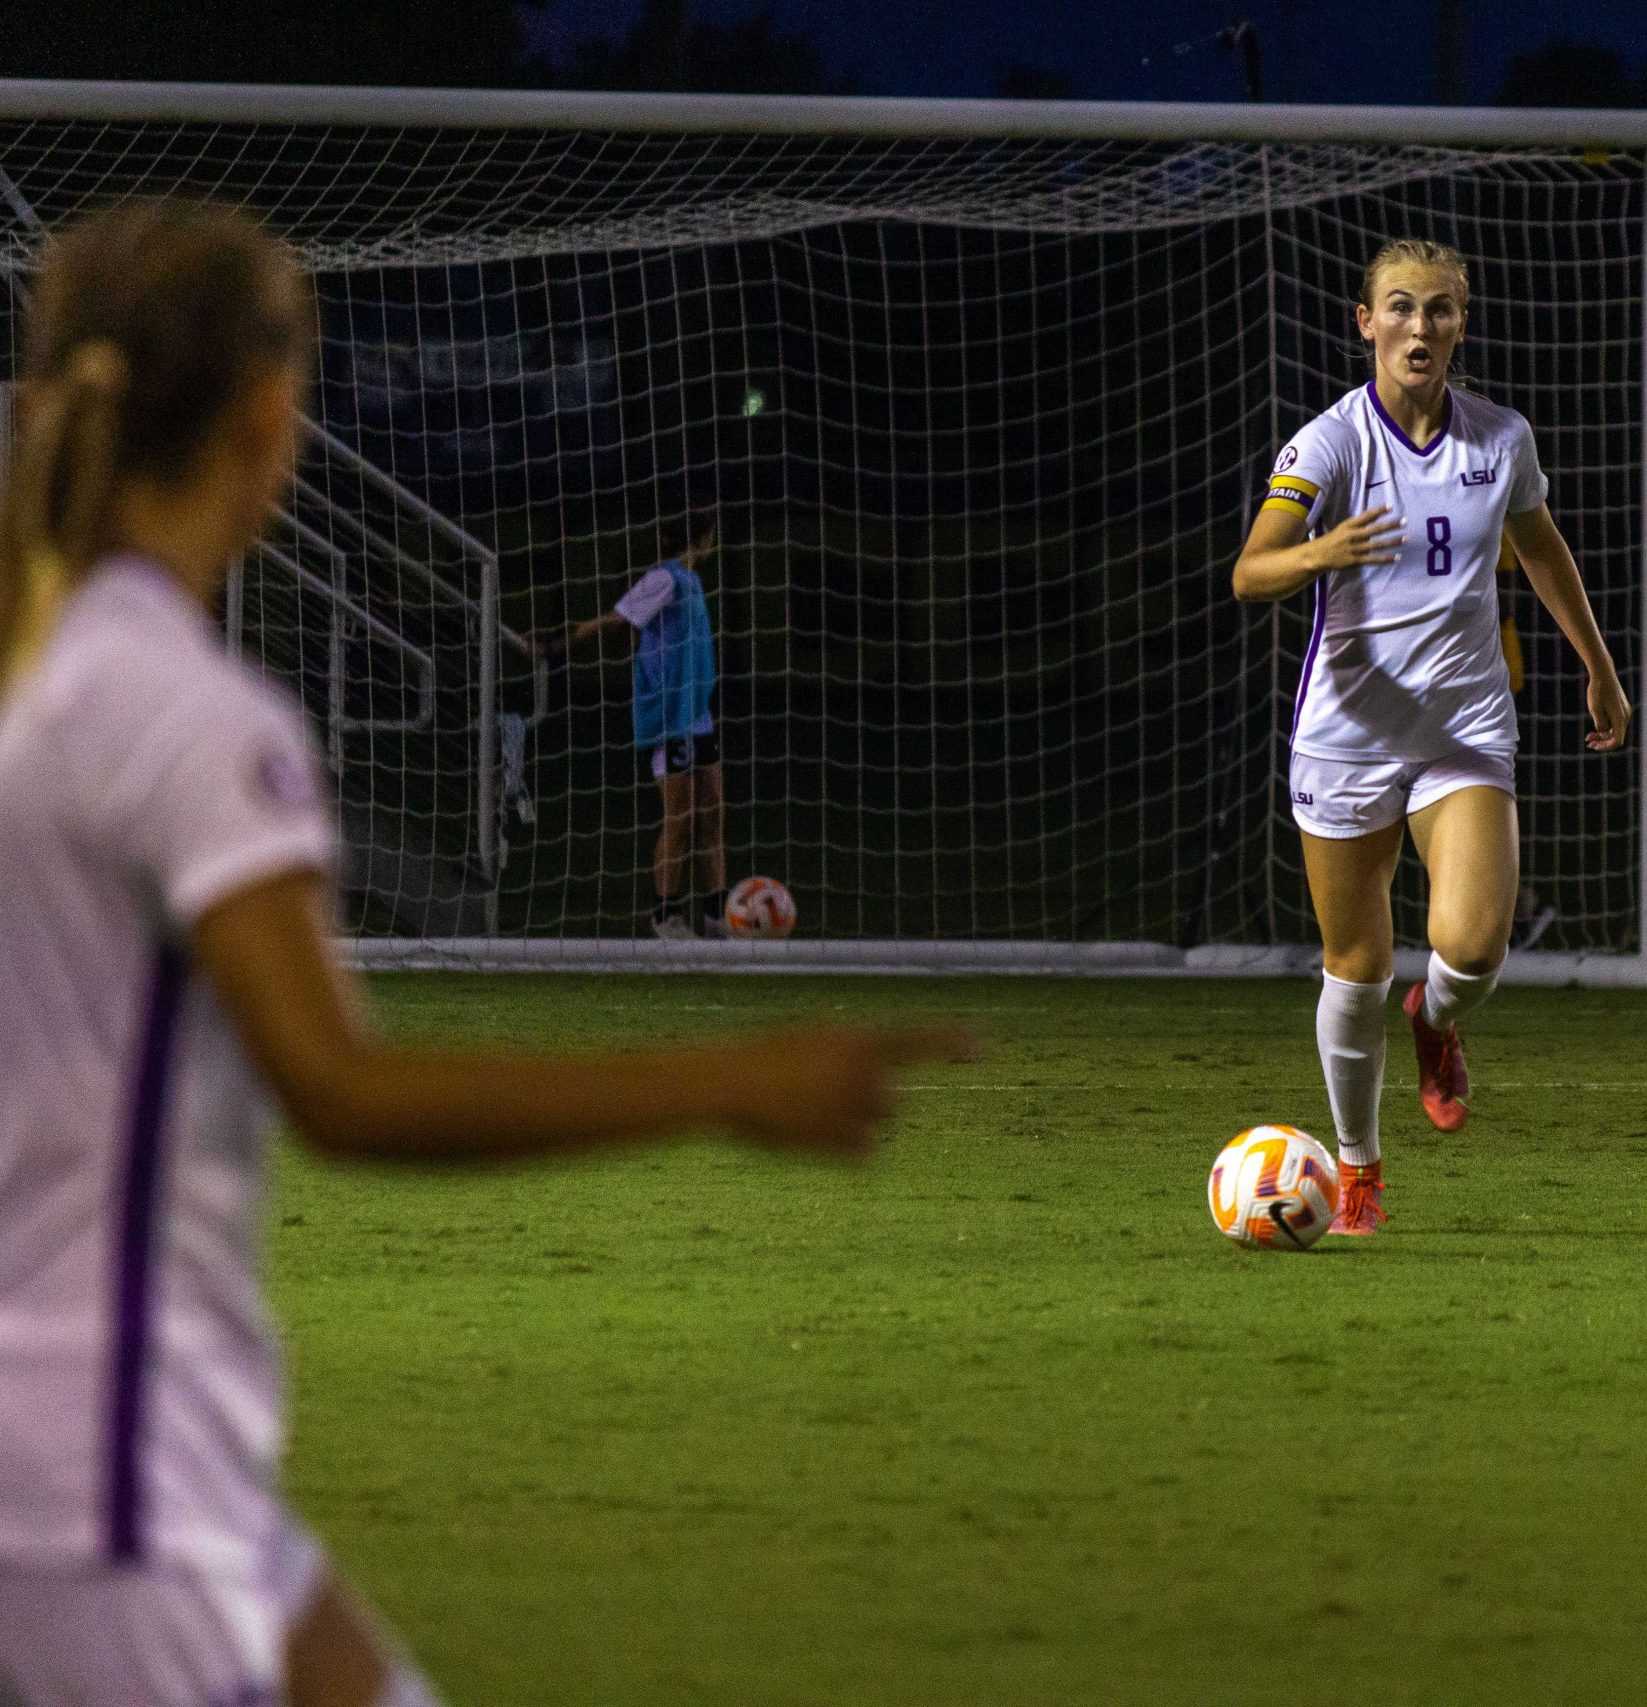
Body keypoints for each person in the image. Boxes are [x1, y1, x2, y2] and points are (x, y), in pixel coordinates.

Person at [0, 200, 970, 1707]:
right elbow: (343, 1091)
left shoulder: (41, 675)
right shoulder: (189, 717)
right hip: (107, 1473)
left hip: (121, 1451)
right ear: (271, 417)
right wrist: (727, 1080)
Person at [1230, 237, 1631, 1234]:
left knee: (1473, 945)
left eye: (1440, 309)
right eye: (1400, 307)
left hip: (1462, 725)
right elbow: (1251, 572)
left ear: (1461, 322)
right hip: (1348, 734)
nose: (1420, 325)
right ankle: (1357, 1163)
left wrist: (1600, 667)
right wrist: (1320, 548)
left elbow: (1541, 550)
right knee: (1356, 966)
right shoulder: (1326, 444)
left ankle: (1438, 1021)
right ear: (1365, 323)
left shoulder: (1500, 439)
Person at [540, 519, 727, 939]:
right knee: (679, 820)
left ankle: (718, 916)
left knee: (712, 815)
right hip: (668, 718)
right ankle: (665, 915)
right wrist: (559, 643)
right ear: (704, 538)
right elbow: (617, 618)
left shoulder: (692, 581)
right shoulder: (665, 578)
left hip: (698, 716)